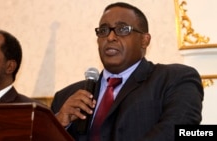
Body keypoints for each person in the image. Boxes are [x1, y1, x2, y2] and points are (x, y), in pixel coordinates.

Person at [51, 2, 204, 141]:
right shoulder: (65, 98)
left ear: (145, 40)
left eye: (122, 29)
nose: (110, 37)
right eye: (103, 30)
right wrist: (57, 126)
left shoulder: (174, 79)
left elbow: (177, 131)